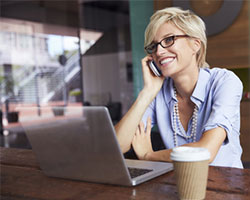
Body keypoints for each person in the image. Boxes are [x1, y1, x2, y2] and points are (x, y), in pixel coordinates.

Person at [115, 7, 243, 168]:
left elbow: (206, 151)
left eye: (168, 40)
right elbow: (117, 146)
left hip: (225, 188)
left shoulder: (225, 82)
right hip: (178, 186)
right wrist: (147, 92)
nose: (159, 51)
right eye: (153, 46)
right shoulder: (159, 92)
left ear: (195, 44)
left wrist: (149, 155)